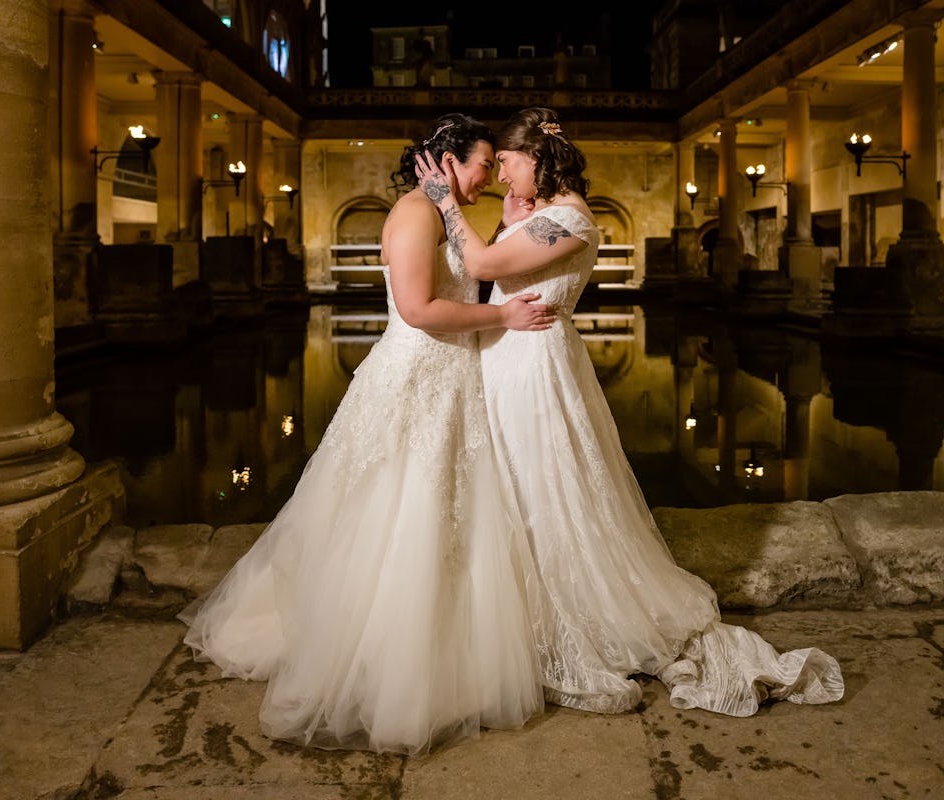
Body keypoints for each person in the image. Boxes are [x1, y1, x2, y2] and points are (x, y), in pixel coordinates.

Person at [416, 107, 844, 716]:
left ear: (535, 158)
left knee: (540, 483)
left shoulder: (570, 221)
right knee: (509, 484)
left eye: (508, 166)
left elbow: (482, 267)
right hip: (509, 355)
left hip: (532, 367)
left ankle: (562, 616)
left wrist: (446, 202)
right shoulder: (541, 215)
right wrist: (512, 220)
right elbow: (501, 266)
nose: (504, 180)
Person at [180, 113, 557, 755]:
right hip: (416, 376)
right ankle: (386, 659)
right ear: (445, 160)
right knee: (400, 507)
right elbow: (417, 308)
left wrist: (518, 212)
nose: (490, 175)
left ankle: (453, 644)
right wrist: (501, 316)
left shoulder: (450, 215)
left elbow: (483, 262)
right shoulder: (413, 214)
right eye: (483, 163)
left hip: (457, 377)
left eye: (496, 165)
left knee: (456, 511)